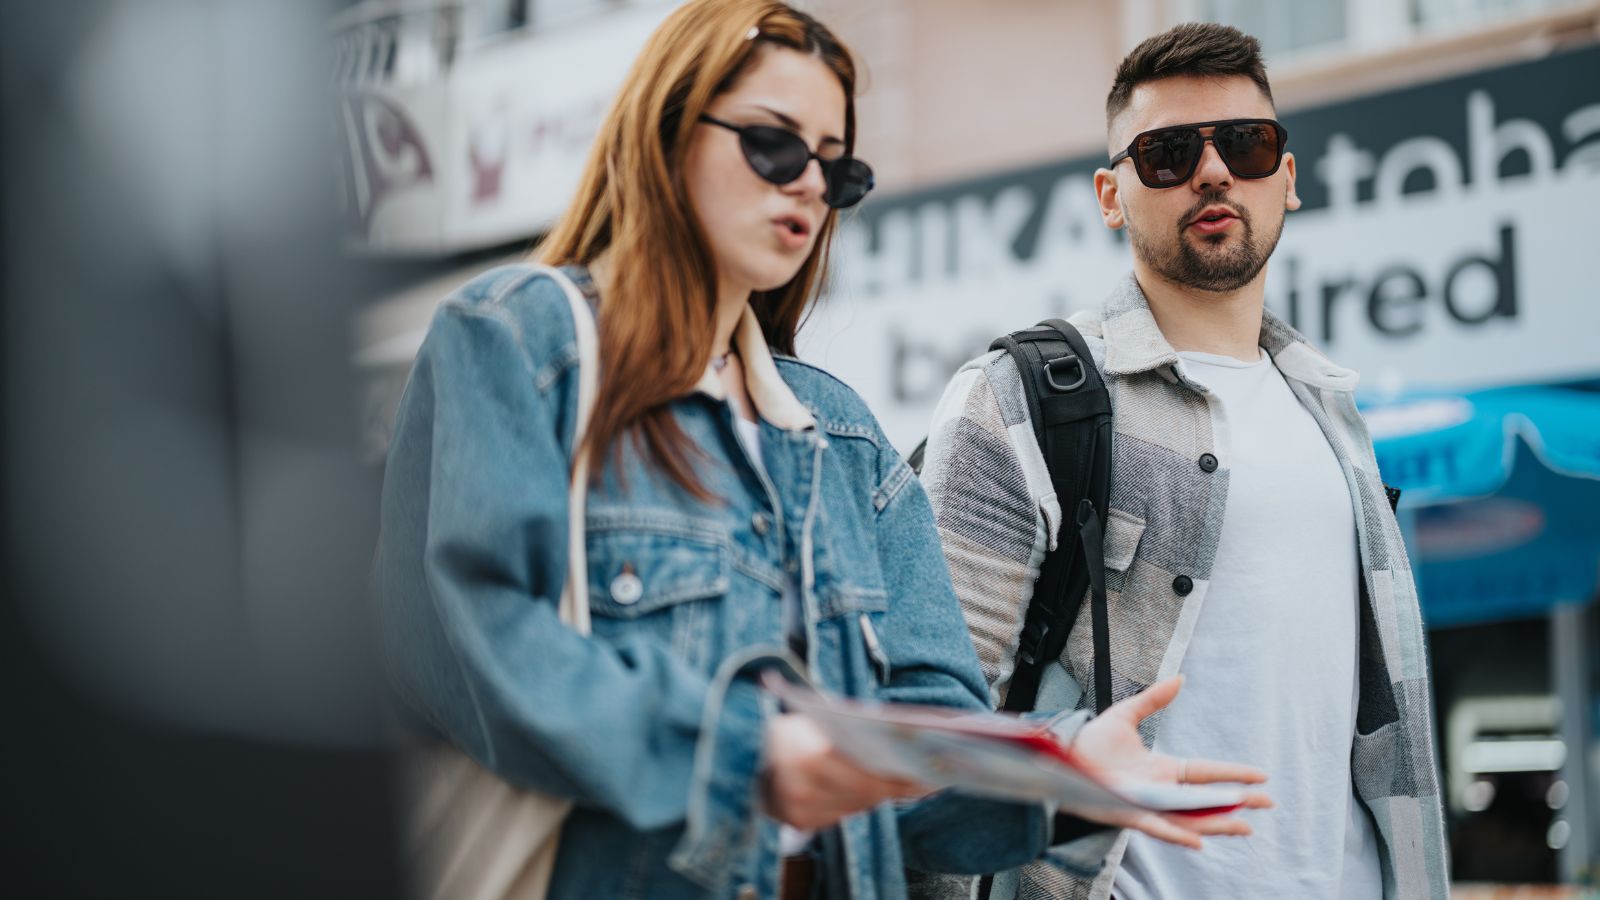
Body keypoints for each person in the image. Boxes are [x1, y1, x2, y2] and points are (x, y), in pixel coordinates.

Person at [377, 3, 1265, 899]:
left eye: (834, 166)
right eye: (774, 145)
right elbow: (460, 645)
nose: (807, 182)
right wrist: (746, 755)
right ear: (668, 130)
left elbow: (920, 744)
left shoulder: (843, 437)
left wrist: (1060, 777)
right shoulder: (519, 341)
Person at [918, 22, 1449, 900]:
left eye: (1245, 145)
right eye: (1166, 154)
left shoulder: (1334, 419)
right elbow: (931, 732)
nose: (1212, 173)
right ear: (1110, 194)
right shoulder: (1017, 400)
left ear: (1287, 177)